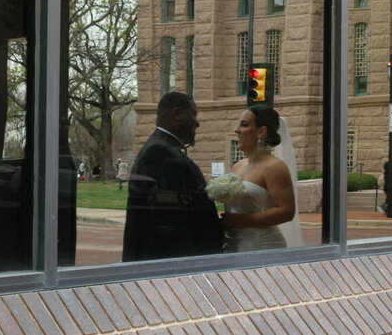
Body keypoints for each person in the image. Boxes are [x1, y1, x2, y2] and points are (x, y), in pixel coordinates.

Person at [122, 92, 223, 261]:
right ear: (177, 114)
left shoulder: (165, 147)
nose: (197, 123)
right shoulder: (159, 151)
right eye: (193, 115)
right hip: (172, 259)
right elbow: (170, 220)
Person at [222, 104, 296, 251]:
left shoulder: (274, 167)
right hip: (234, 242)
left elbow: (286, 212)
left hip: (263, 245)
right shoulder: (238, 166)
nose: (237, 130)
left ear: (261, 132)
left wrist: (242, 221)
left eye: (244, 125)